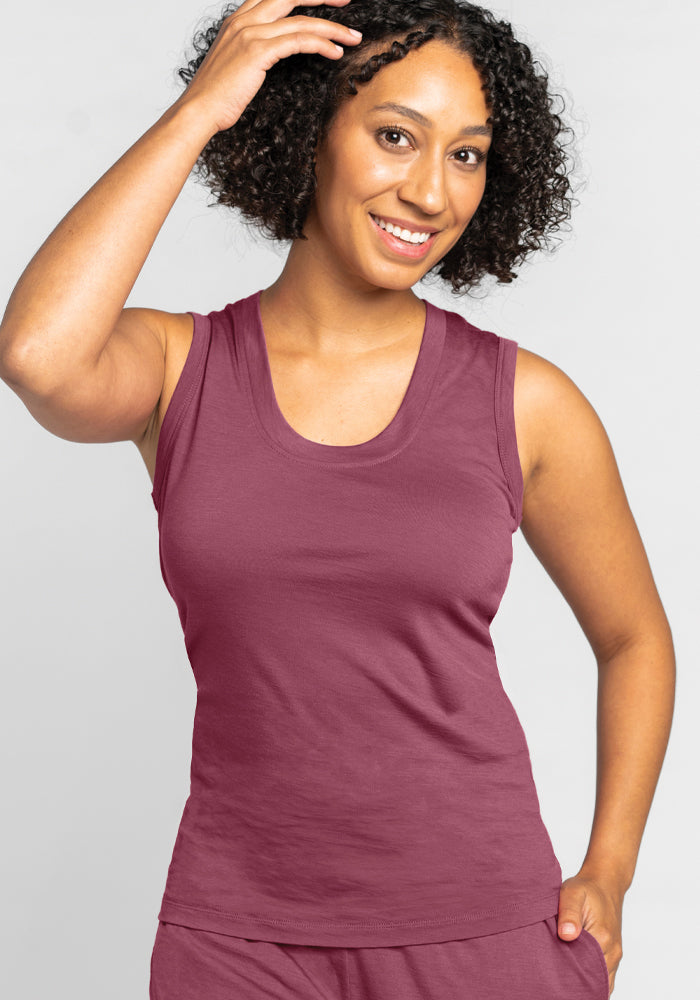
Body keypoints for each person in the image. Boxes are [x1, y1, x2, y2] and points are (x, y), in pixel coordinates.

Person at [0, 0, 675, 997]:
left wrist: (609, 870)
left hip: (481, 932)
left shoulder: (525, 401)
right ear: (309, 129)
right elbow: (37, 355)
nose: (429, 190)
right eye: (394, 136)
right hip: (237, 940)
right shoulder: (180, 369)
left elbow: (635, 640)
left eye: (466, 155)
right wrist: (199, 113)